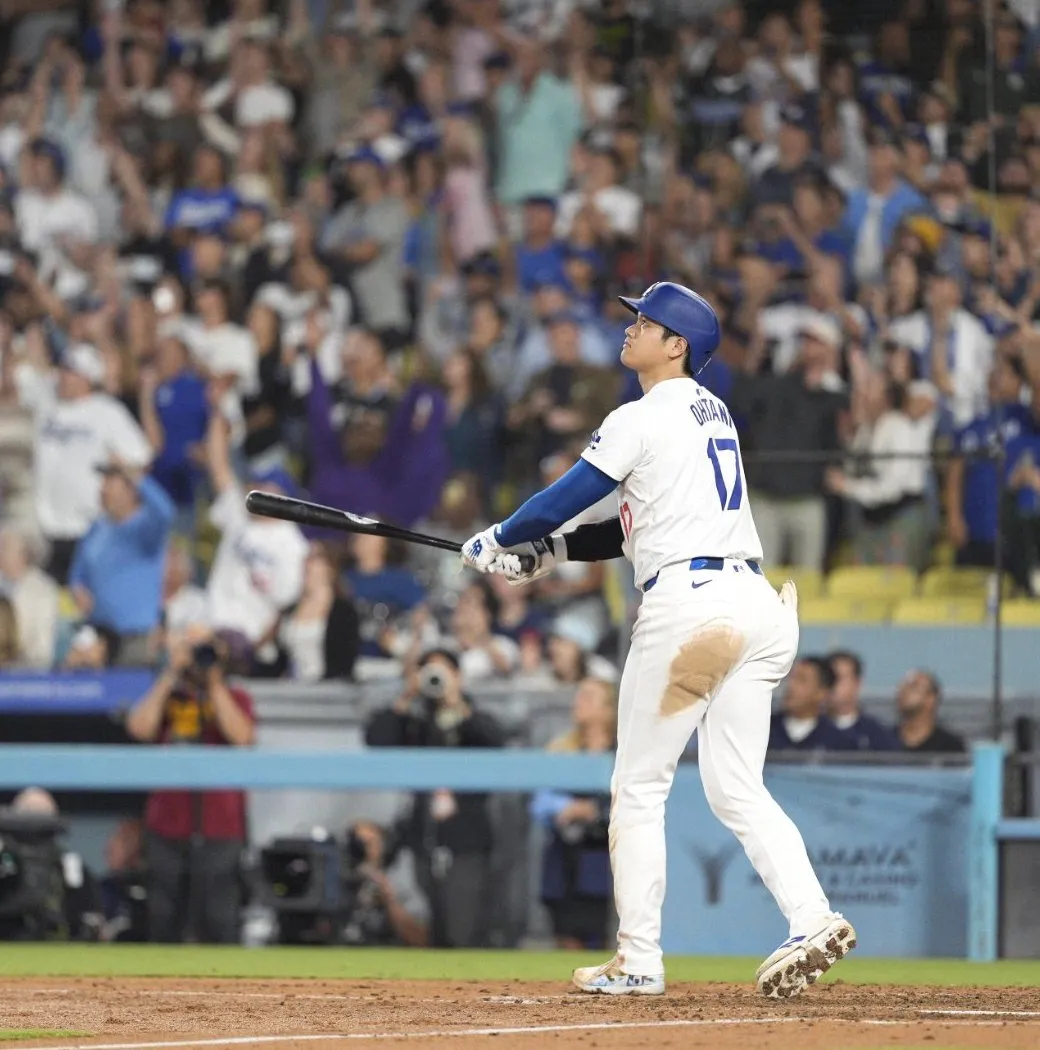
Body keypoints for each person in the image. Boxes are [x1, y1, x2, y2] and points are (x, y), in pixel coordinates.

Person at [461, 281, 855, 999]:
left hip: (690, 609)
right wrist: (545, 555)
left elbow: (568, 495)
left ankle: (639, 958)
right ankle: (812, 917)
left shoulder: (639, 415)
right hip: (755, 606)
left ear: (677, 344)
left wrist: (502, 536)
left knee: (638, 785)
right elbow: (629, 525)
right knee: (736, 787)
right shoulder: (714, 413)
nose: (631, 327)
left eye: (646, 320)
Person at [364, 647, 505, 948]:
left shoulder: (473, 717)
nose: (435, 680)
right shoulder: (415, 721)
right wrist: (407, 696)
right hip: (422, 840)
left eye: (442, 673)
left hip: (465, 842)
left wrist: (456, 702)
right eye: (428, 673)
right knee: (428, 934)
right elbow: (376, 739)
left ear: (458, 677)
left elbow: (493, 741)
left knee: (462, 932)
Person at [125, 628, 256, 943]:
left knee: (218, 917)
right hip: (167, 822)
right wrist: (171, 672)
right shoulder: (168, 695)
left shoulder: (235, 696)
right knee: (163, 916)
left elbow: (242, 736)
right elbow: (139, 728)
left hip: (220, 824)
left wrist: (213, 681)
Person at [531, 677, 617, 949]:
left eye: (589, 697)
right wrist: (565, 808)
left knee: (604, 933)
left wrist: (594, 810)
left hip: (603, 854)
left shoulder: (621, 752)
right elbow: (539, 801)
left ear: (608, 709)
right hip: (564, 855)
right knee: (565, 933)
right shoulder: (561, 750)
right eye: (578, 696)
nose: (578, 703)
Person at [68, 459, 176, 666]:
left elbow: (166, 512)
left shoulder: (145, 528)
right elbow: (77, 573)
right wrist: (77, 587)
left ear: (130, 490)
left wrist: (135, 475)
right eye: (103, 481)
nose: (102, 488)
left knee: (131, 696)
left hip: (136, 637)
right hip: (99, 637)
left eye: (110, 481)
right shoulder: (96, 528)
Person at [767, 657, 843, 751]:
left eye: (801, 680)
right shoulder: (764, 728)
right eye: (790, 678)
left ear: (822, 693)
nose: (791, 685)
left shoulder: (839, 741)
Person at [827, 651, 899, 751]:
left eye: (839, 678)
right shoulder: (811, 730)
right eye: (829, 679)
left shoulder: (877, 735)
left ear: (857, 684)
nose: (833, 685)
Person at [895, 669, 967, 754]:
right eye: (902, 687)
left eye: (913, 686)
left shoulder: (950, 746)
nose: (903, 692)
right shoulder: (885, 741)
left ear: (930, 699)